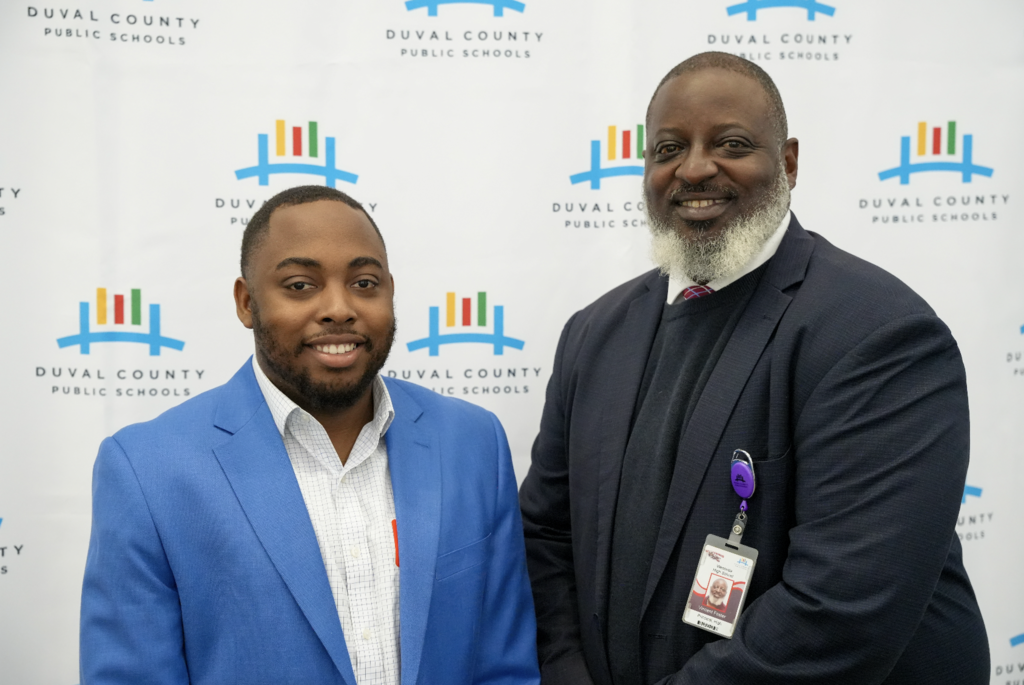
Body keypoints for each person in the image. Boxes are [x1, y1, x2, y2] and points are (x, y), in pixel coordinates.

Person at [518, 52, 989, 685]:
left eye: (731, 143)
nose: (694, 168)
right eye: (667, 149)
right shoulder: (593, 335)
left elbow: (840, 612)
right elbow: (547, 537)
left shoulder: (877, 334)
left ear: (789, 162)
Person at [80, 185, 540, 685]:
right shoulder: (148, 468)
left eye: (365, 283)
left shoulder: (473, 443)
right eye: (300, 285)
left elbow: (505, 667)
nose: (340, 308)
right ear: (246, 302)